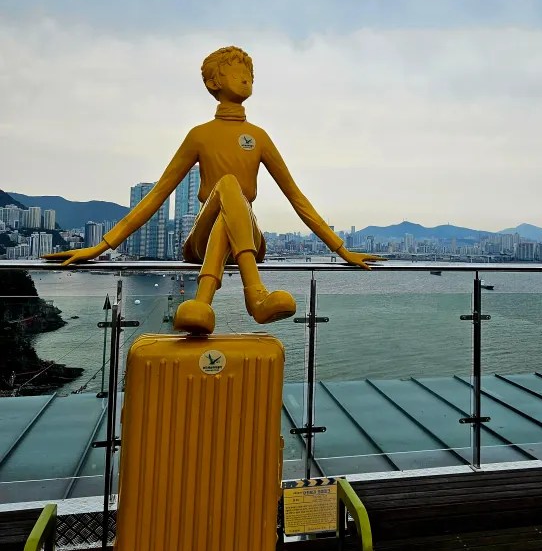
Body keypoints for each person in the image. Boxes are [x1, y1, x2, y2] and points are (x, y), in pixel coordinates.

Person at [45, 45, 383, 334]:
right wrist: (100, 247)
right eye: (236, 69)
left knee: (231, 194)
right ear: (214, 81)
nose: (247, 74)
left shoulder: (260, 137)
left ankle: (202, 304)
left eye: (250, 70)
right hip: (201, 240)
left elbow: (297, 198)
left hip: (247, 236)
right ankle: (256, 296)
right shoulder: (200, 135)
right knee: (228, 186)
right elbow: (158, 194)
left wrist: (343, 250)